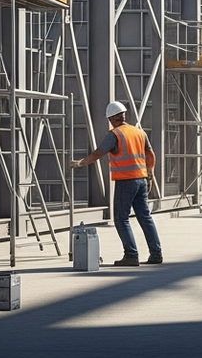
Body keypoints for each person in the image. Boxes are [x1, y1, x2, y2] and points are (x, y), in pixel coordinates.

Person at [70, 101, 163, 267]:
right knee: (145, 216)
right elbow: (150, 153)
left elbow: (99, 153)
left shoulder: (114, 135)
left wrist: (79, 163)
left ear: (111, 118)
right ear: (123, 115)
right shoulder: (139, 132)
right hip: (141, 180)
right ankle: (156, 253)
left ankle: (131, 255)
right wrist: (150, 174)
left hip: (126, 181)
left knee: (121, 219)